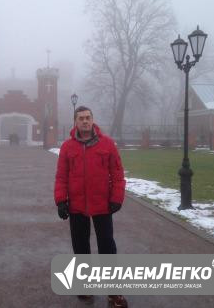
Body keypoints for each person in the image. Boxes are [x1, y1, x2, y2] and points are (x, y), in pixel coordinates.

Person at [54, 106, 128, 308]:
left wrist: (117, 198)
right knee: (81, 247)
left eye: (88, 118)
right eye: (81, 118)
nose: (85, 121)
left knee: (107, 248)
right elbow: (61, 177)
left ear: (92, 120)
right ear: (75, 122)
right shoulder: (68, 147)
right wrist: (61, 201)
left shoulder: (107, 144)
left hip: (102, 205)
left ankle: (114, 293)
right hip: (77, 206)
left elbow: (118, 173)